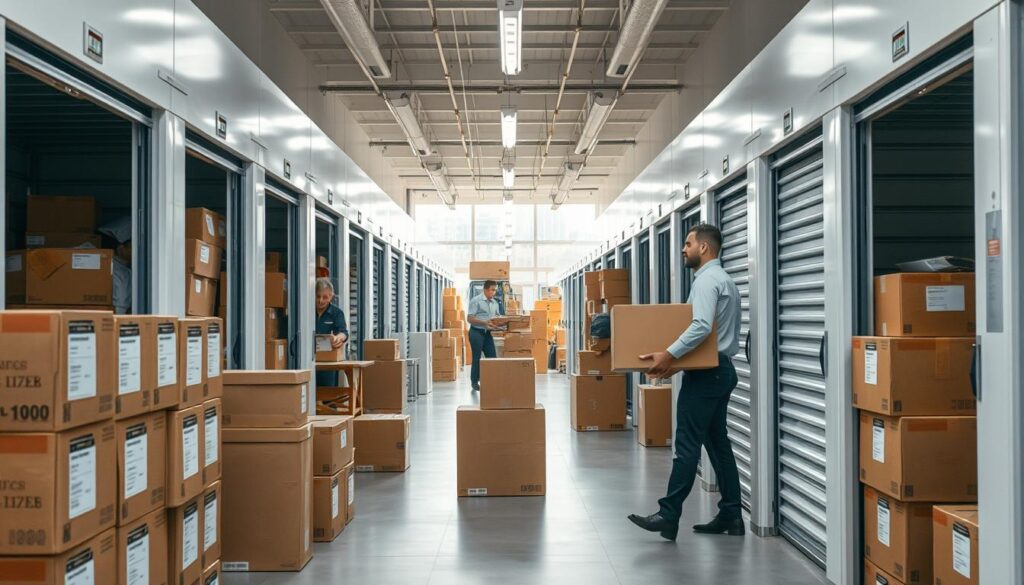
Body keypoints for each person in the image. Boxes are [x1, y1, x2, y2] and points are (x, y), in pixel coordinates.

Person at [628, 223, 744, 541]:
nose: (683, 248)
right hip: (719, 371)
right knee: (719, 446)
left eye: (688, 243)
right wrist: (678, 366)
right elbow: (712, 336)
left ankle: (668, 514)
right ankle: (732, 514)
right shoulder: (723, 280)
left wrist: (669, 354)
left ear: (704, 248)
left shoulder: (708, 281)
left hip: (708, 376)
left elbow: (702, 326)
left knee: (687, 445)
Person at [466, 280, 503, 391]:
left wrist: (500, 325)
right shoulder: (476, 301)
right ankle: (474, 382)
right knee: (477, 357)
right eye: (492, 290)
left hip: (487, 333)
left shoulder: (495, 303)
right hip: (476, 332)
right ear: (485, 290)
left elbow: (496, 318)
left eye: (495, 290)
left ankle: (491, 380)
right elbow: (470, 318)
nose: (494, 292)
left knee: (492, 357)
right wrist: (484, 323)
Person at [315, 277, 349, 387]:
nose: (320, 301)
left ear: (331, 297)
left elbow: (343, 332)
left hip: (328, 363)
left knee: (328, 396)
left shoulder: (337, 313)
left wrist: (339, 338)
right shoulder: (306, 310)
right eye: (318, 296)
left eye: (325, 297)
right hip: (307, 361)